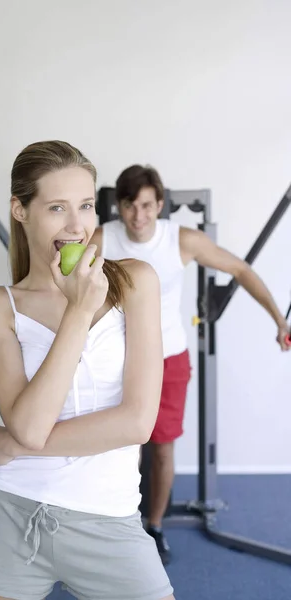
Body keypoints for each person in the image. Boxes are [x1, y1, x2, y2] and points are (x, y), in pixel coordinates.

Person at [0, 141, 175, 600]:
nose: (77, 225)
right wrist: (78, 312)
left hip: (109, 519)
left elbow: (138, 422)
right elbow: (31, 425)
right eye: (57, 207)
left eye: (85, 205)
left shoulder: (136, 281)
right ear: (20, 210)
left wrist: (13, 443)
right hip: (11, 515)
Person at [87, 164, 291, 564]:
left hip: (168, 360)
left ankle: (155, 527)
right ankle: (113, 525)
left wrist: (279, 320)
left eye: (147, 206)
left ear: (160, 205)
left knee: (161, 449)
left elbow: (240, 270)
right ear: (119, 208)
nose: (139, 216)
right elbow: (54, 271)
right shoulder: (101, 238)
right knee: (114, 448)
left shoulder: (180, 240)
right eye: (130, 206)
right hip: (114, 358)